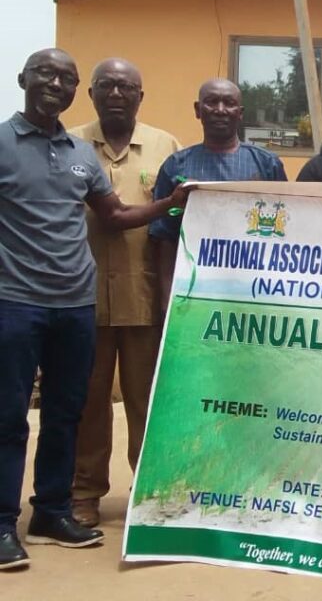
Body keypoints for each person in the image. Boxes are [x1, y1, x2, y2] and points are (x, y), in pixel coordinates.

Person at [0, 49, 189, 571]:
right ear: (23, 79)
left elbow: (116, 214)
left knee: (68, 412)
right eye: (45, 74)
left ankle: (52, 510)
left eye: (65, 77)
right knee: (11, 417)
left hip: (79, 304)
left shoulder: (78, 153)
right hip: (16, 303)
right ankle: (6, 522)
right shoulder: (7, 142)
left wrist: (176, 201)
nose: (54, 83)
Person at [67, 60, 181, 530]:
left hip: (144, 297)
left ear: (140, 96)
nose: (116, 93)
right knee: (88, 403)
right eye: (107, 85)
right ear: (91, 93)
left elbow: (179, 221)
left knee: (147, 402)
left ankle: (148, 492)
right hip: (81, 297)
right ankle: (84, 493)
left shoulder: (166, 146)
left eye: (126, 86)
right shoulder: (68, 144)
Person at [150, 78, 286, 312]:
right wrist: (166, 301)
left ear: (240, 113)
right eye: (212, 102)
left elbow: (286, 234)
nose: (220, 110)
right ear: (197, 110)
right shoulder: (176, 166)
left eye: (229, 103)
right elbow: (165, 240)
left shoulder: (266, 164)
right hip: (194, 290)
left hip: (254, 291)